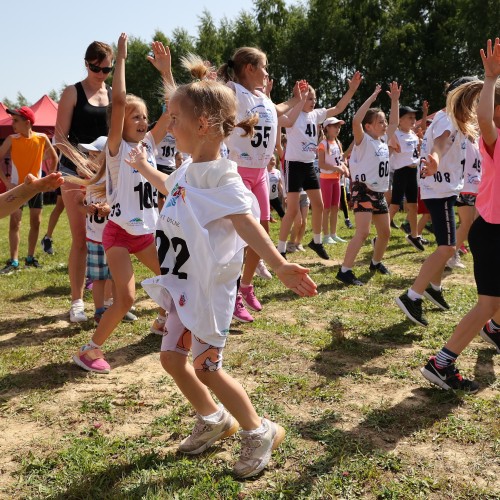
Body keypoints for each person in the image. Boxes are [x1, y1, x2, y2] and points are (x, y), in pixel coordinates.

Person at [125, 55, 317, 479]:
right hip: (181, 285)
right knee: (173, 360)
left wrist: (280, 265)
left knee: (206, 368)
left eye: (175, 119)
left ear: (204, 126)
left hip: (208, 292)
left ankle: (258, 429)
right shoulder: (190, 169)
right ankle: (214, 420)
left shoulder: (224, 179)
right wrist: (142, 169)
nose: (168, 126)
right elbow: (169, 187)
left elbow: (248, 225)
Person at [70, 33, 172, 374]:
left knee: (173, 279)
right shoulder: (117, 151)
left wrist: (166, 73)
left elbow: (173, 110)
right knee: (126, 298)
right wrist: (123, 60)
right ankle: (90, 350)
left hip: (145, 233)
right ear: (121, 124)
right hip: (118, 233)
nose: (143, 122)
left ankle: (161, 321)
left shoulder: (150, 147)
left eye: (145, 117)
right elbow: (117, 103)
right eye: (136, 118)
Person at [420, 38, 500, 392]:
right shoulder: (494, 138)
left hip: (493, 230)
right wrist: (491, 79)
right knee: (486, 303)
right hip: (493, 231)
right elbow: (484, 116)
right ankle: (441, 363)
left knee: (493, 301)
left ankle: (494, 329)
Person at [218, 47, 308, 322]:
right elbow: (211, 96)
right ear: (248, 68)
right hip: (238, 171)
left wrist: (296, 99)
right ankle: (231, 294)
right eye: (264, 67)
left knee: (263, 234)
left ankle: (246, 286)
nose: (267, 73)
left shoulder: (261, 97)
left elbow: (277, 110)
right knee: (238, 239)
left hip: (259, 174)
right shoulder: (232, 90)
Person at [395, 76, 483, 326]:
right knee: (446, 248)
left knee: (450, 244)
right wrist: (434, 157)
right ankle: (412, 296)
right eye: (473, 99)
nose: (475, 105)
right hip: (439, 189)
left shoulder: (453, 118)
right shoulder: (448, 119)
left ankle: (434, 287)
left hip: (442, 188)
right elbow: (440, 142)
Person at [55, 40, 114, 322]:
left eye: (107, 69)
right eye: (96, 68)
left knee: (111, 237)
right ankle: (77, 301)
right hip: (74, 173)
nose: (101, 74)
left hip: (104, 175)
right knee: (81, 239)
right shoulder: (72, 92)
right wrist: (83, 165)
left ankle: (110, 301)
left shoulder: (113, 94)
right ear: (86, 63)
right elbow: (60, 139)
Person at [276, 74, 362, 261]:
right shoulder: (293, 116)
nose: (312, 101)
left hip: (308, 165)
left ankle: (316, 241)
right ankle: (281, 248)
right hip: (293, 165)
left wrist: (352, 90)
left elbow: (339, 108)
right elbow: (283, 118)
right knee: (291, 210)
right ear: (300, 98)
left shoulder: (315, 115)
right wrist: (298, 96)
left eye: (314, 98)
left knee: (319, 205)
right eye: (308, 97)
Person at [336, 82, 401, 286]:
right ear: (368, 126)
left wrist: (395, 101)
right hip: (363, 190)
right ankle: (345, 271)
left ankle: (375, 262)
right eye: (379, 122)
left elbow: (394, 124)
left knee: (385, 232)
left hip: (378, 193)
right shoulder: (363, 141)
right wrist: (372, 98)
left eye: (383, 121)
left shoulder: (383, 142)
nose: (384, 125)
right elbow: (356, 119)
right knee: (363, 232)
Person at [0, 106, 59, 274]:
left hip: (36, 188)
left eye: (16, 121)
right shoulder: (12, 139)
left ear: (27, 123)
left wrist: (50, 179)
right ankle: (14, 261)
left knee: (36, 222)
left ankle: (30, 258)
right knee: (15, 223)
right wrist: (6, 181)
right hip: (17, 188)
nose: (12, 124)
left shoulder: (41, 138)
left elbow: (54, 156)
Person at [388, 106, 425, 251]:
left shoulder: (414, 135)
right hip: (401, 172)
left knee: (413, 206)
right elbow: (388, 153)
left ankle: (414, 236)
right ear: (400, 120)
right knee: (395, 205)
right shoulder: (396, 135)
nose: (413, 120)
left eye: (414, 117)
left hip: (412, 172)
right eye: (409, 117)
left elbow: (416, 153)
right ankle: (381, 233)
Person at [446, 136, 482, 269]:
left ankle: (452, 253)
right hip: (465, 187)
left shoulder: (478, 140)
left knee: (474, 224)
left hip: (476, 186)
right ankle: (450, 254)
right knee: (467, 223)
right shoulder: (460, 138)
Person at [318, 117, 350, 244]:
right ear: (327, 128)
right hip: (326, 179)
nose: (338, 129)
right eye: (335, 126)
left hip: (337, 179)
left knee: (335, 208)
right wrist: (335, 168)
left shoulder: (338, 143)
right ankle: (326, 236)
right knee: (326, 209)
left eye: (339, 126)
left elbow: (340, 160)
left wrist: (344, 167)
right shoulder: (323, 144)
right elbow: (321, 164)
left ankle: (333, 234)